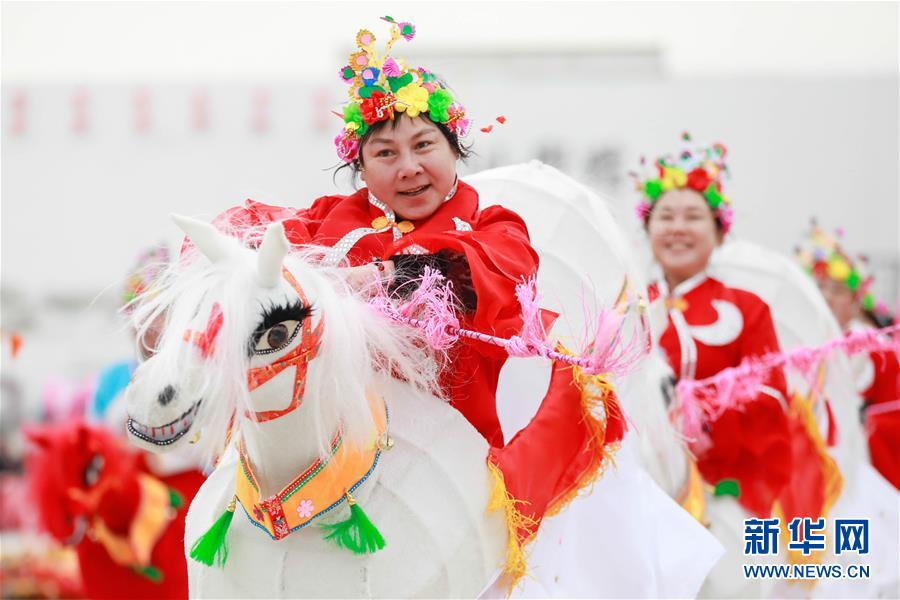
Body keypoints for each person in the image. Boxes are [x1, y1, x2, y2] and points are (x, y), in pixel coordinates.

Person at [203, 18, 539, 449]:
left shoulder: (494, 226)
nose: (409, 168)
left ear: (454, 147)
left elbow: (487, 276)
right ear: (360, 166)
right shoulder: (326, 221)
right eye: (385, 153)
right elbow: (249, 250)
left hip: (447, 453)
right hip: (334, 445)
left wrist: (383, 275)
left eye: (423, 145)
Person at [635, 133, 792, 518]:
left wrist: (697, 408)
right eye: (666, 217)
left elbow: (770, 399)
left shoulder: (746, 308)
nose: (677, 228)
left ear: (720, 232)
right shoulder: (630, 304)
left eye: (692, 217)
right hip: (640, 487)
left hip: (722, 491)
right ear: (648, 229)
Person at [796, 223, 899, 489]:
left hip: (865, 467)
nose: (826, 298)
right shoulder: (819, 342)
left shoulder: (861, 342)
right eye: (819, 287)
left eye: (837, 290)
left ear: (856, 302)